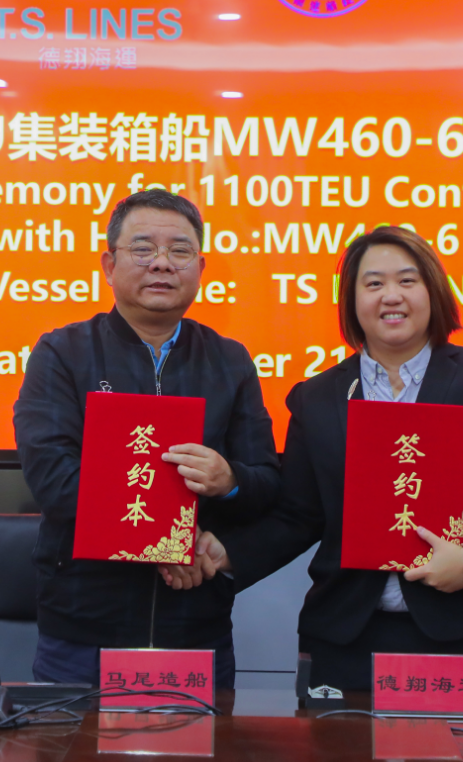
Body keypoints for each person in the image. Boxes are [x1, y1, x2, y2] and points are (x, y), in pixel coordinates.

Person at [194, 226, 463, 694]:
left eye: (407, 281)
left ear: (433, 292)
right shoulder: (318, 398)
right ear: (351, 301)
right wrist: (230, 552)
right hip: (349, 641)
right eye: (373, 284)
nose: (392, 295)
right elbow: (298, 515)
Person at [14, 190, 280, 689]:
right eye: (142, 249)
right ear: (109, 265)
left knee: (202, 735)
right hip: (84, 626)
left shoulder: (229, 360)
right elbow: (54, 478)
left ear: (200, 267)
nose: (161, 263)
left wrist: (230, 480)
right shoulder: (63, 353)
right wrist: (159, 542)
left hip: (195, 622)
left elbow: (265, 481)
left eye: (179, 250)